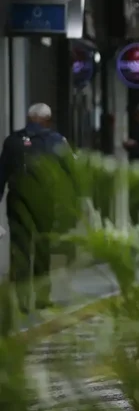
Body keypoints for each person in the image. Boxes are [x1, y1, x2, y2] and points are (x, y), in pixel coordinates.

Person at [0, 103, 69, 311]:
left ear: (29, 118)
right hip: (45, 203)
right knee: (42, 248)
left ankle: (20, 300)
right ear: (48, 120)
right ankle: (41, 297)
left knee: (19, 249)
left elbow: (1, 173)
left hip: (18, 201)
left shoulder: (12, 141)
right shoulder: (57, 141)